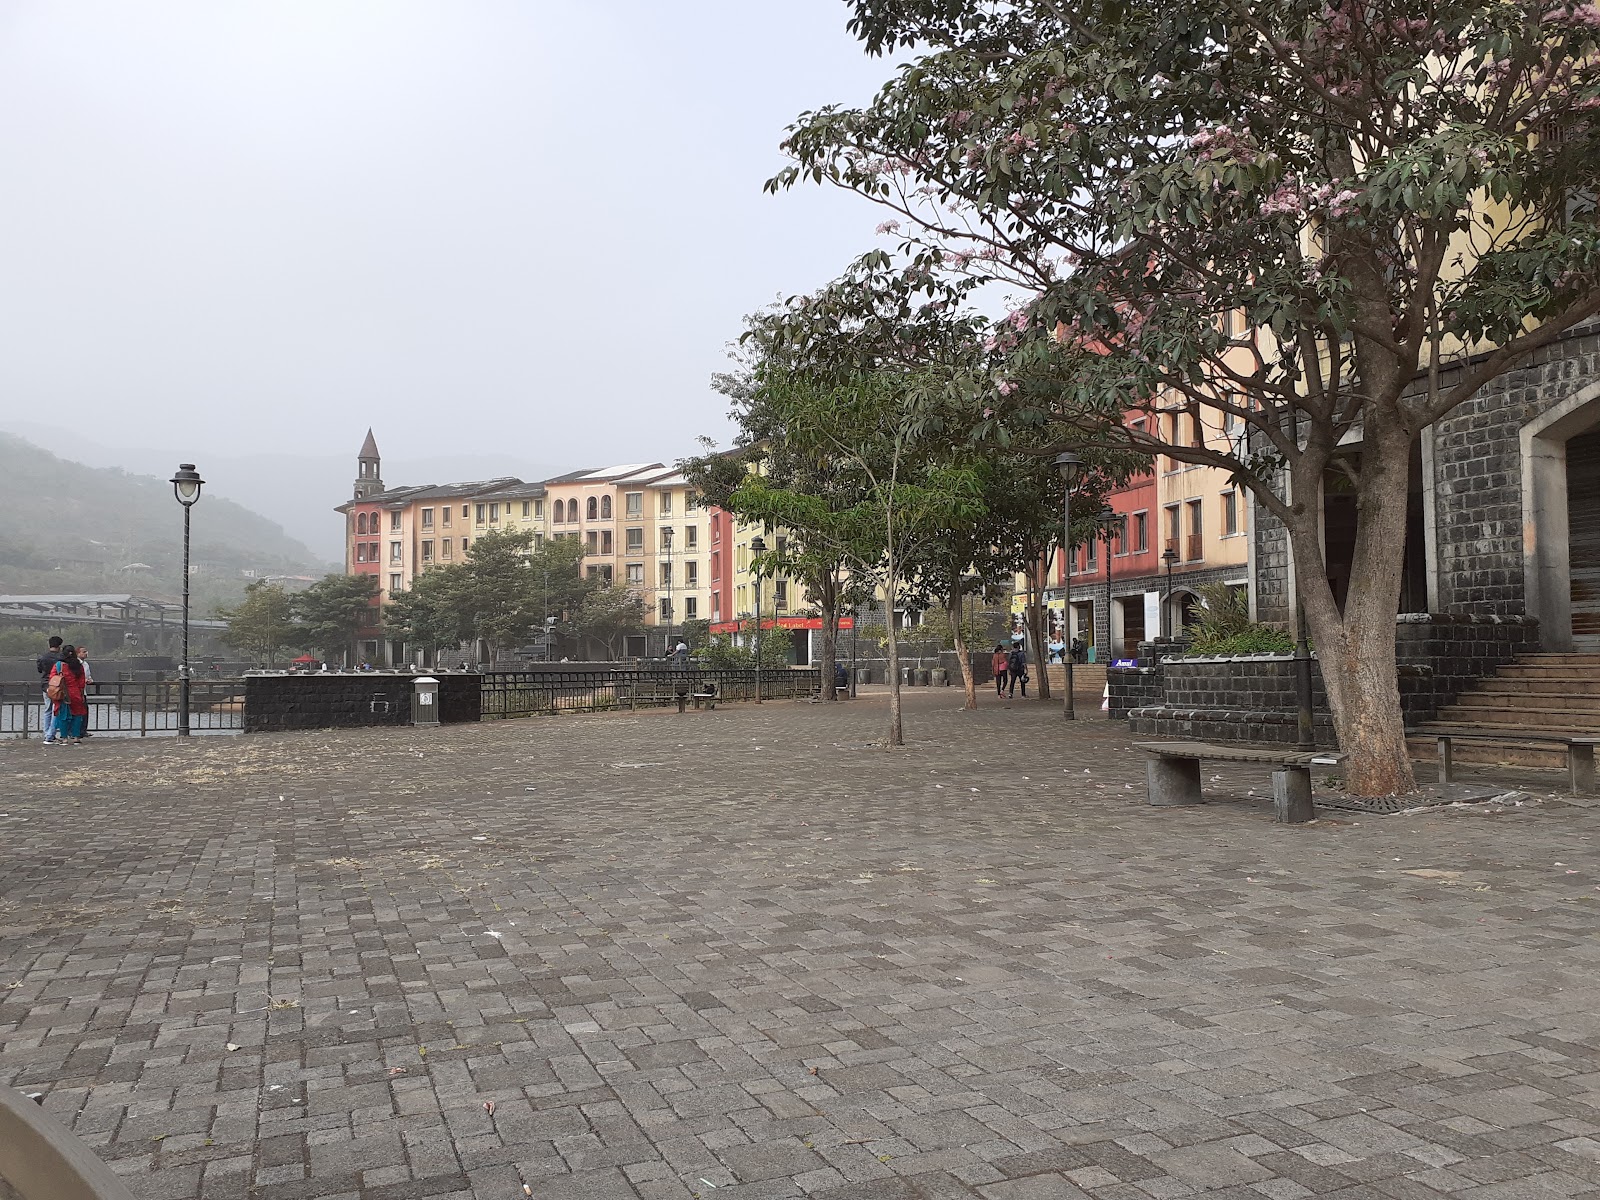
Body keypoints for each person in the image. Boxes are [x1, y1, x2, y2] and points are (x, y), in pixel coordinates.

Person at [46, 645, 89, 745]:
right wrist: (81, 693)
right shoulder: (78, 665)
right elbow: (82, 682)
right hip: (76, 693)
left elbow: (53, 678)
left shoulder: (59, 665)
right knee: (77, 715)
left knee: (63, 716)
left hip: (63, 693)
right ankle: (76, 737)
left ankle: (64, 738)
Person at [36, 636, 63, 743]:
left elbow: (39, 670)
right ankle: (51, 734)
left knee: (47, 709)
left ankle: (46, 732)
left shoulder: (42, 658)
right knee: (56, 710)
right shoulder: (61, 658)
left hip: (46, 685)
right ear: (59, 646)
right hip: (58, 685)